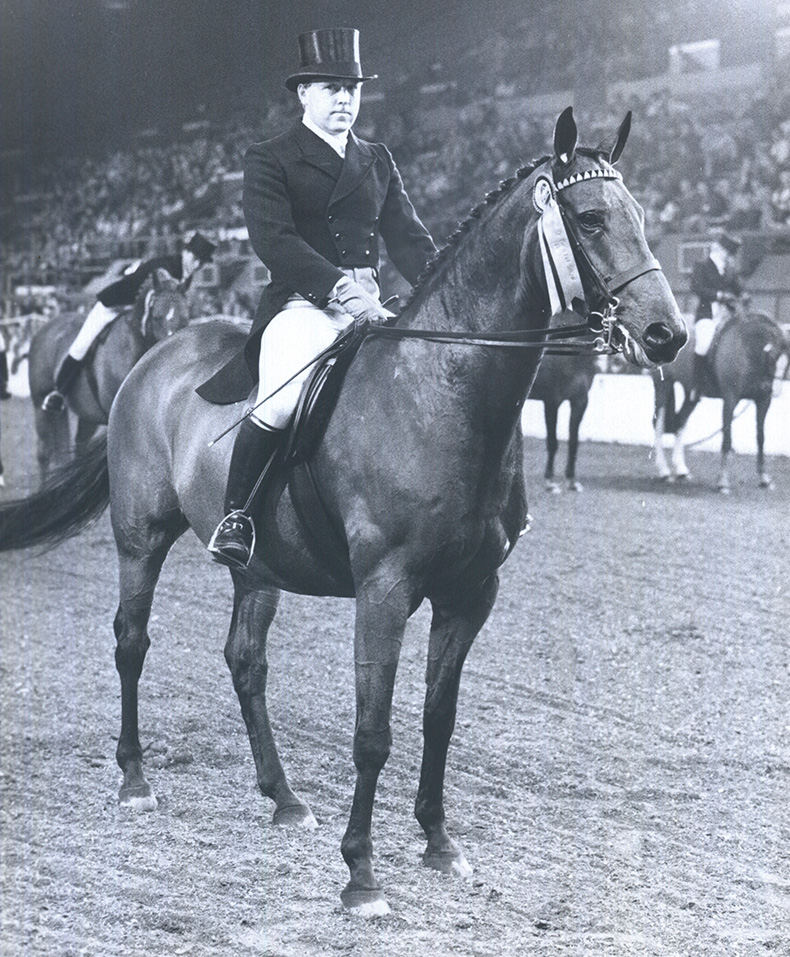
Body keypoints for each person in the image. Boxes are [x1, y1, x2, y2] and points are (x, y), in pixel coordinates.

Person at [206, 28, 437, 569]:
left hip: (372, 307)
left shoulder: (377, 159)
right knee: (282, 398)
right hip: (304, 305)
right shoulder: (270, 157)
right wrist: (342, 290)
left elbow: (409, 239)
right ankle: (236, 514)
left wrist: (443, 288)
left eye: (352, 90)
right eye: (332, 88)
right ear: (303, 93)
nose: (344, 100)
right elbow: (275, 241)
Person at [41, 231, 216, 412]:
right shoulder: (165, 269)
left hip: (135, 310)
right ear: (186, 252)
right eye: (195, 259)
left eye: (202, 262)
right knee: (81, 345)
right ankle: (59, 392)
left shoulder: (185, 274)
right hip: (113, 304)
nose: (197, 265)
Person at [690, 230, 743, 390]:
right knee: (704, 343)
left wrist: (742, 291)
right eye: (727, 253)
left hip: (728, 314)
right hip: (707, 313)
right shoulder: (702, 266)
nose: (729, 257)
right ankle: (697, 384)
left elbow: (738, 289)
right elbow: (696, 288)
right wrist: (719, 296)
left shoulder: (729, 270)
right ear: (720, 250)